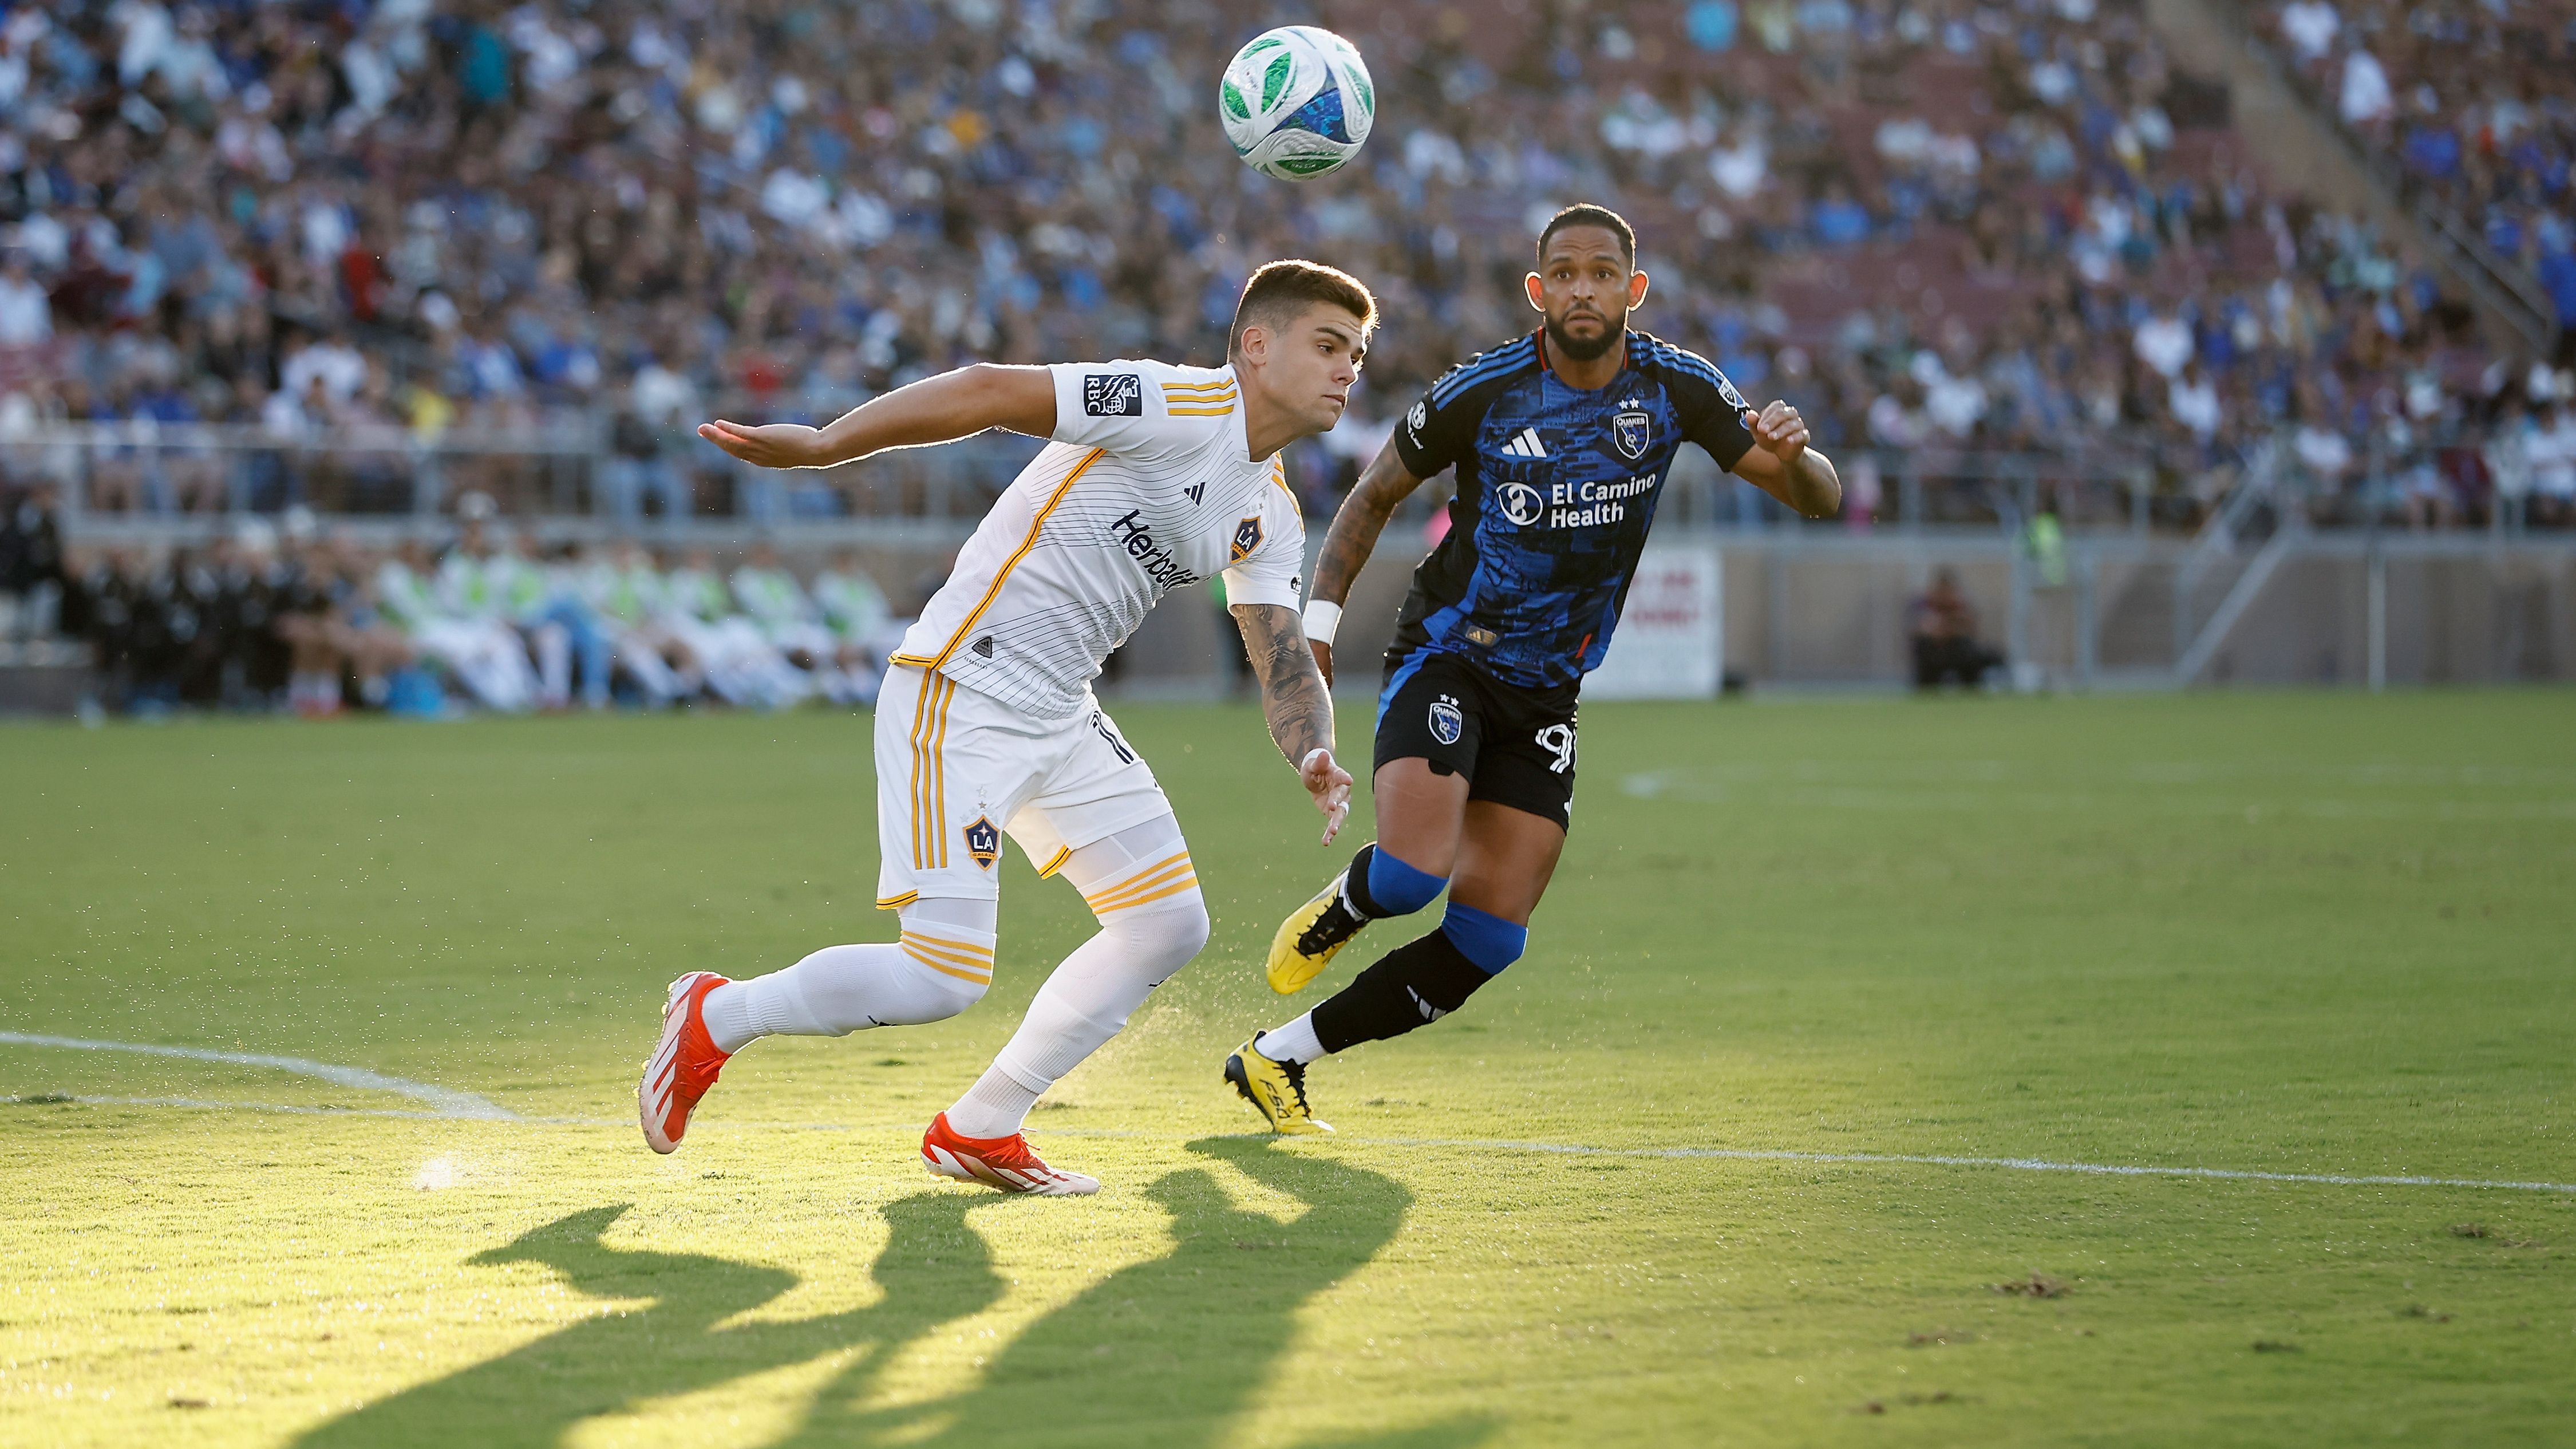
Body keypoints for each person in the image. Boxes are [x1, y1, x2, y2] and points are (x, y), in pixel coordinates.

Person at [638, 259, 1373, 1194]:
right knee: (943, 979)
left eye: (1355, 351)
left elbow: (1277, 655)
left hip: (1061, 711)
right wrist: (824, 444)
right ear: (1256, 346)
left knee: (1166, 924)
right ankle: (717, 1015)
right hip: (962, 691)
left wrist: (1311, 746)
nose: (1346, 368)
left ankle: (982, 1126)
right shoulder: (1171, 403)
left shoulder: (1268, 511)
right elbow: (987, 391)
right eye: (1326, 344)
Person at [1224, 206, 1840, 1135]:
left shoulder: (1677, 390)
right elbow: (1372, 495)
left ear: (1633, 290)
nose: (1584, 288)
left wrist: (1801, 459)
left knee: (1489, 940)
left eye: (1603, 274)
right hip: (1449, 657)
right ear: (1538, 289)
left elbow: (1817, 499)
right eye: (1566, 273)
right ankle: (1349, 903)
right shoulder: (1486, 389)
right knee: (1411, 877)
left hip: (1548, 690)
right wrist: (1318, 631)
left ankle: (1277, 1059)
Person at [1907, 567, 2001, 688]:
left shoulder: (1960, 606)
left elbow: (1972, 630)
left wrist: (1950, 623)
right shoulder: (1923, 604)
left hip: (1957, 652)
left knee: (1973, 653)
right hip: (1932, 653)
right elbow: (1923, 629)